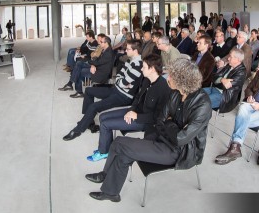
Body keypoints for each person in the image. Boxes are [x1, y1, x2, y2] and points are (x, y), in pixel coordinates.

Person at [85, 58, 211, 202]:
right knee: (123, 153)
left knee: (119, 142)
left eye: (171, 76)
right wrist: (172, 126)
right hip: (161, 138)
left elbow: (180, 139)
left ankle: (105, 177)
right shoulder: (176, 93)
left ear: (183, 80)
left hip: (180, 152)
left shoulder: (202, 105)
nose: (167, 78)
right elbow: (160, 120)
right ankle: (110, 191)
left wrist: (169, 124)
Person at [87, 54, 170, 162]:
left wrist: (136, 115)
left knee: (105, 124)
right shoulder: (147, 80)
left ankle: (103, 152)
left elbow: (158, 117)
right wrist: (131, 110)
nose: (141, 69)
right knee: (102, 116)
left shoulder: (163, 88)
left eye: (144, 67)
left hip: (145, 121)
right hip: (135, 111)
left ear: (152, 69)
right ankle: (107, 147)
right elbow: (137, 98)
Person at [62, 39, 143, 141]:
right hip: (116, 89)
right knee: (88, 91)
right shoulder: (129, 60)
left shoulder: (138, 65)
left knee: (94, 106)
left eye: (128, 49)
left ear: (135, 51)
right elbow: (119, 77)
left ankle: (78, 130)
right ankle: (89, 122)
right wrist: (122, 82)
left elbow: (123, 82)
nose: (126, 51)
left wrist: (122, 82)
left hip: (123, 96)